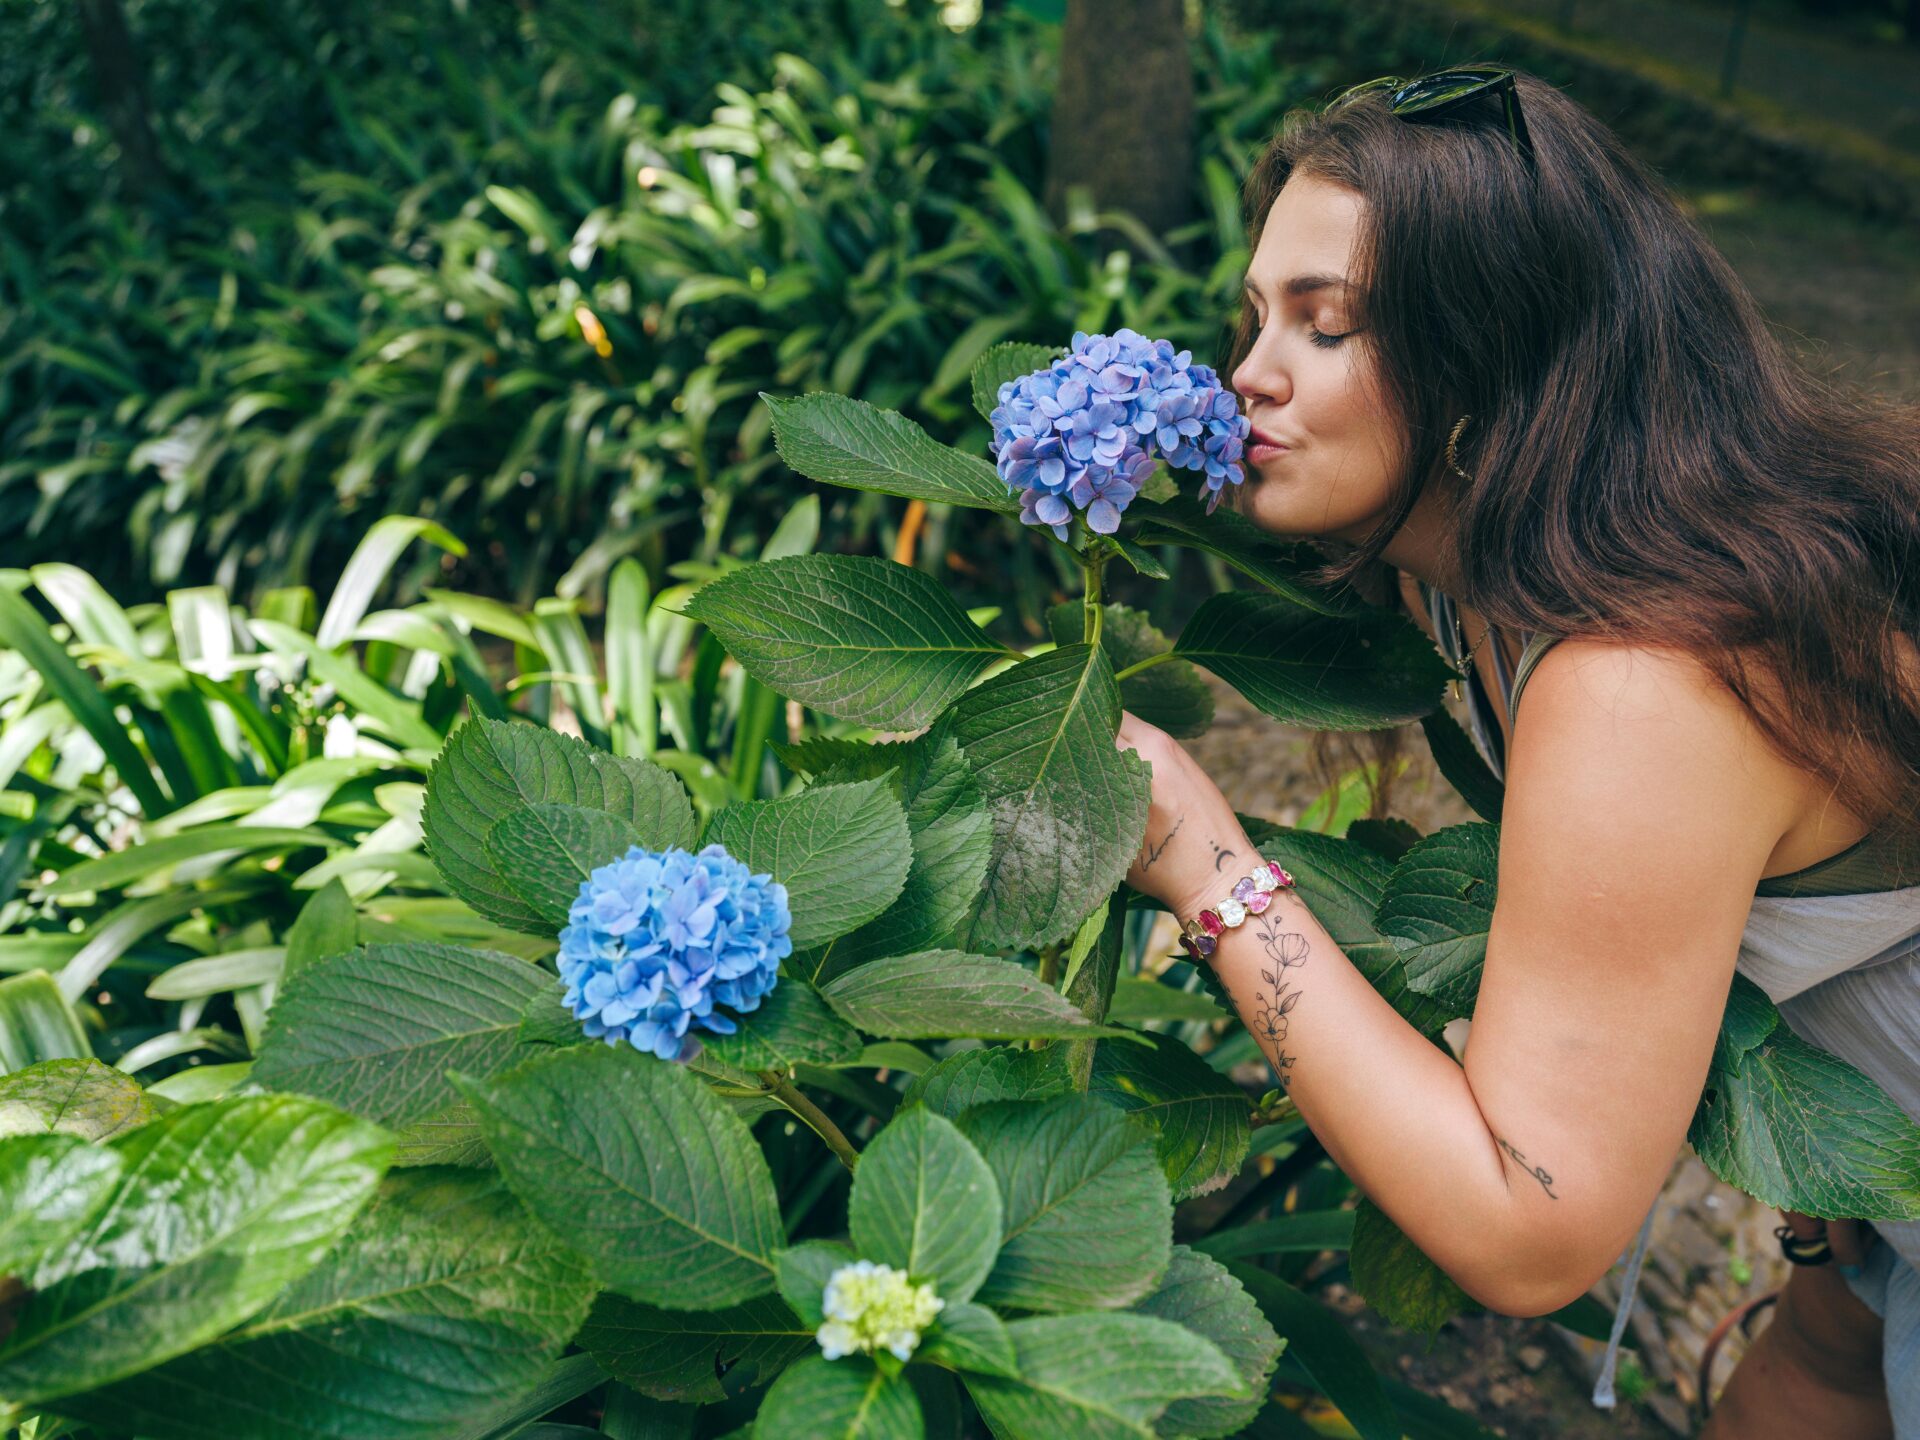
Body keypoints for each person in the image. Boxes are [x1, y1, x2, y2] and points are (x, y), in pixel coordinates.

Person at [1117, 67, 1920, 1438]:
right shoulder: (1484, 567)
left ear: (1492, 359)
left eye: (1325, 324)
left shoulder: (1639, 681)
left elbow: (1527, 1227)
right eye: (1257, 315)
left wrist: (1207, 868)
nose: (1245, 372)